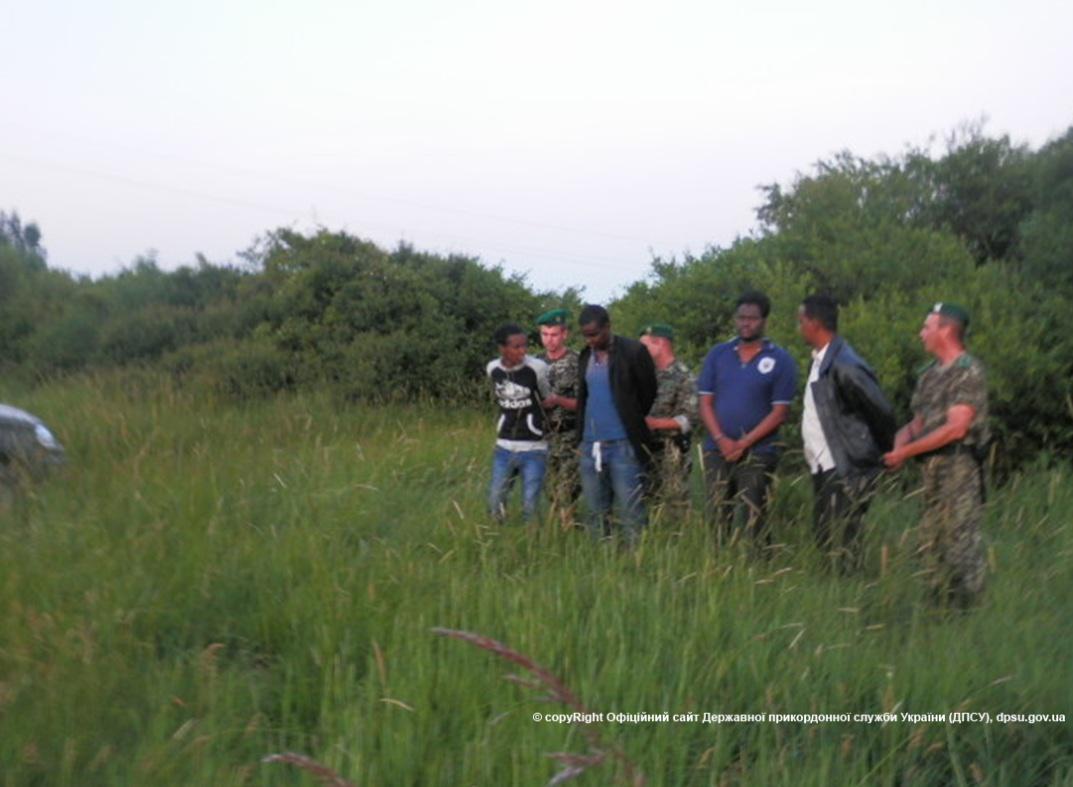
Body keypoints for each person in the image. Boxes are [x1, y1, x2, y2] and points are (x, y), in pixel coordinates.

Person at [884, 303, 990, 608]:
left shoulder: (967, 371)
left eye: (927, 327)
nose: (921, 334)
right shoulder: (928, 375)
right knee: (930, 541)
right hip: (930, 471)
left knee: (961, 543)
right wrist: (895, 447)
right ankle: (938, 608)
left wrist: (906, 451)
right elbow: (918, 424)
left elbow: (956, 429)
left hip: (958, 468)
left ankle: (969, 613)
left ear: (945, 330)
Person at [797, 294, 896, 570]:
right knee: (825, 536)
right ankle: (835, 595)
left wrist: (884, 453)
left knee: (841, 541)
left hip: (844, 466)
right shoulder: (820, 361)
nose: (799, 327)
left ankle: (849, 597)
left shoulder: (845, 365)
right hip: (824, 464)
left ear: (815, 324)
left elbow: (881, 412)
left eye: (801, 321)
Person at [697, 291, 798, 549]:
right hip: (717, 448)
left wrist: (743, 444)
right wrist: (721, 440)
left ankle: (759, 567)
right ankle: (718, 565)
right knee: (718, 512)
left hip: (759, 450)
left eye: (752, 319)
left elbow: (780, 413)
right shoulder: (718, 354)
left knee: (754, 512)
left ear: (764, 321)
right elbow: (705, 402)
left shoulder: (780, 360)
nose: (746, 323)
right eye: (741, 317)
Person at [575, 304, 658, 543]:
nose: (590, 340)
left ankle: (637, 561)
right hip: (591, 446)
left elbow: (648, 393)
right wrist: (581, 437)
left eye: (595, 334)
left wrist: (630, 419)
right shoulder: (585, 356)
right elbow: (584, 396)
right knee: (595, 511)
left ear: (608, 327)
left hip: (624, 444)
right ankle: (602, 560)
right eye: (586, 335)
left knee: (632, 511)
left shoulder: (633, 352)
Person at [486, 323, 550, 523]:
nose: (523, 351)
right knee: (496, 499)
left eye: (525, 346)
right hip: (504, 446)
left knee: (530, 504)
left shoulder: (537, 368)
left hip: (534, 447)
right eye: (516, 347)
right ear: (502, 348)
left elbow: (546, 398)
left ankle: (533, 543)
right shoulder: (493, 368)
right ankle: (496, 536)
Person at [639, 323, 698, 521]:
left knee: (675, 506)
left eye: (645, 346)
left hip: (672, 452)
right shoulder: (647, 374)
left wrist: (654, 423)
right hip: (647, 450)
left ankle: (677, 544)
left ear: (660, 343)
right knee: (647, 503)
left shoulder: (683, 376)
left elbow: (688, 419)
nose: (642, 352)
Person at [535, 308, 581, 525]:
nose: (549, 340)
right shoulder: (534, 364)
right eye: (544, 334)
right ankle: (562, 528)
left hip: (569, 435)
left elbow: (586, 403)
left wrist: (557, 400)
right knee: (550, 489)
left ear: (564, 334)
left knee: (567, 488)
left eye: (554, 335)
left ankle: (568, 527)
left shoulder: (577, 363)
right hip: (542, 436)